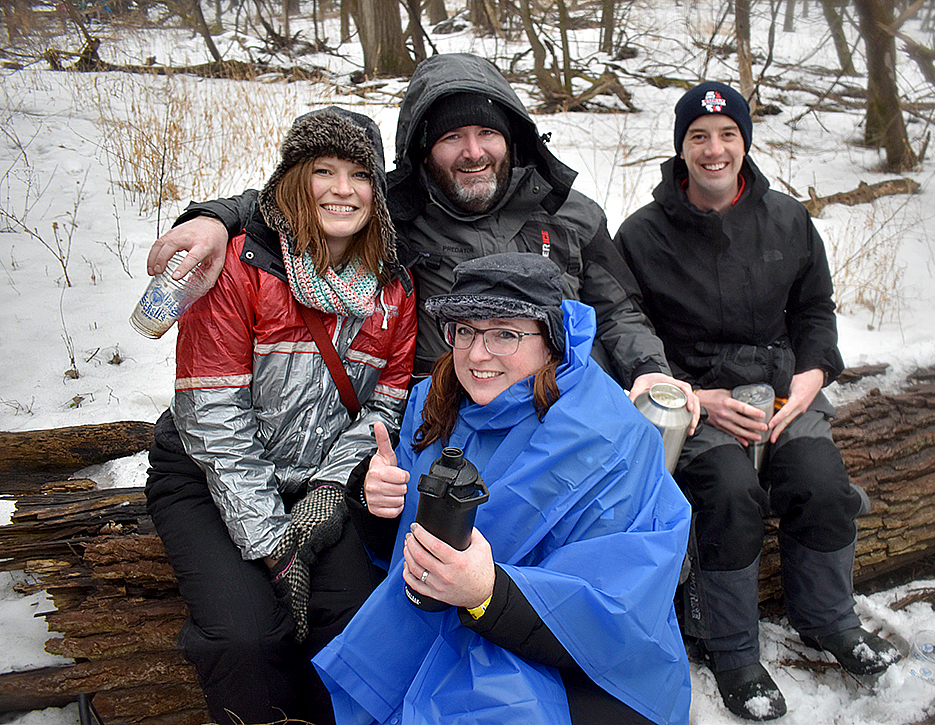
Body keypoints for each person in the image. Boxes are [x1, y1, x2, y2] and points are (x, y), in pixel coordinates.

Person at [144, 52, 698, 418]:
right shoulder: (397, 212)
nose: (474, 152)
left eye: (487, 133)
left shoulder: (570, 212)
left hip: (571, 414)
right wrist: (216, 217)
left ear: (515, 139)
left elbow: (620, 310)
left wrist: (650, 369)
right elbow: (305, 203)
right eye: (452, 137)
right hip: (454, 420)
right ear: (423, 151)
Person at [613, 82, 900, 720]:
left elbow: (815, 310)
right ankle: (734, 648)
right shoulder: (644, 235)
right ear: (681, 147)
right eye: (699, 137)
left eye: (728, 135)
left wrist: (813, 374)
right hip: (698, 401)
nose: (714, 150)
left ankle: (828, 619)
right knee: (729, 495)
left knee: (822, 485)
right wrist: (696, 396)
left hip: (781, 395)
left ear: (744, 142)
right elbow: (629, 326)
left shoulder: (787, 218)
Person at [312, 252, 692, 725]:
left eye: (505, 334)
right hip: (437, 616)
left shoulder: (610, 435)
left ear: (551, 340)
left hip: (579, 666)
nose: (476, 354)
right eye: (464, 330)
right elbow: (410, 550)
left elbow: (619, 605)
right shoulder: (436, 402)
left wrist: (488, 591)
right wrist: (376, 503)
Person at [143, 107, 417, 725]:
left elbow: (384, 403)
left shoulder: (393, 287)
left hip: (316, 481)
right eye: (323, 170)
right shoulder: (238, 266)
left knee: (354, 617)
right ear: (294, 179)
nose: (342, 189)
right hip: (207, 477)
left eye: (359, 174)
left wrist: (326, 495)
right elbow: (213, 419)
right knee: (247, 635)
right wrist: (274, 544)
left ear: (378, 190)